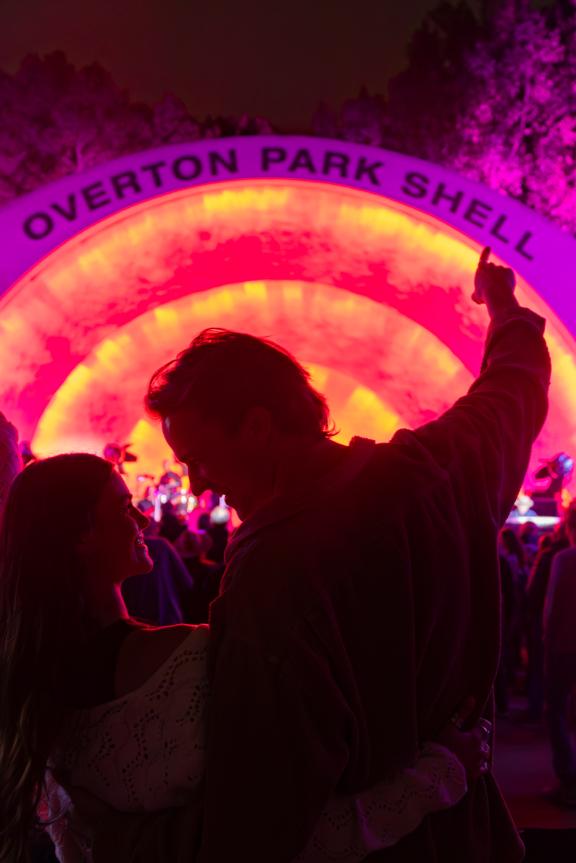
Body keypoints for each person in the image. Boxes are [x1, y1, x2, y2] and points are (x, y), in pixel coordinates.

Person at [76, 248, 549, 862]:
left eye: (198, 459)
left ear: (256, 427)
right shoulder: (440, 468)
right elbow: (512, 389)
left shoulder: (272, 571)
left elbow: (264, 809)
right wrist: (503, 307)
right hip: (472, 835)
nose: (194, 486)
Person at [0, 453, 486, 863]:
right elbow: (285, 834)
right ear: (82, 535)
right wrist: (439, 772)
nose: (144, 518)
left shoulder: (32, 694)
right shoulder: (187, 663)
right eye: (125, 507)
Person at [543, 503, 576, 806]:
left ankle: (568, 779)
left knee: (556, 711)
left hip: (565, 646)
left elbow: (552, 609)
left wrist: (545, 642)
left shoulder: (564, 559)